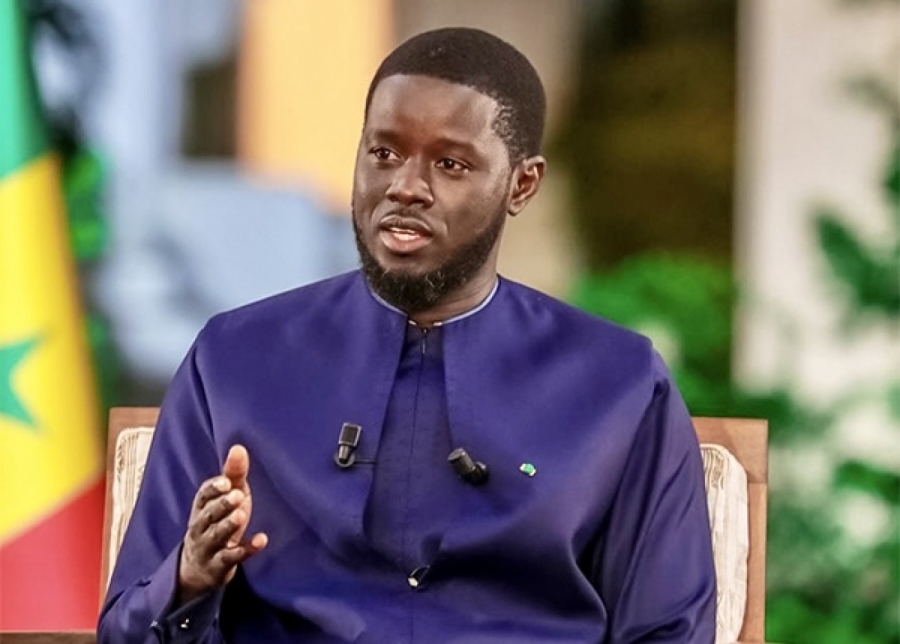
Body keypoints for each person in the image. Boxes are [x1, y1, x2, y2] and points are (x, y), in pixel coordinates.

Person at [98, 27, 716, 643]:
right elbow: (126, 629)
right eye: (384, 153)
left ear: (521, 184)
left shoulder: (618, 383)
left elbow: (668, 631)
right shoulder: (233, 361)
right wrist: (188, 580)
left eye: (450, 164)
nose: (406, 187)